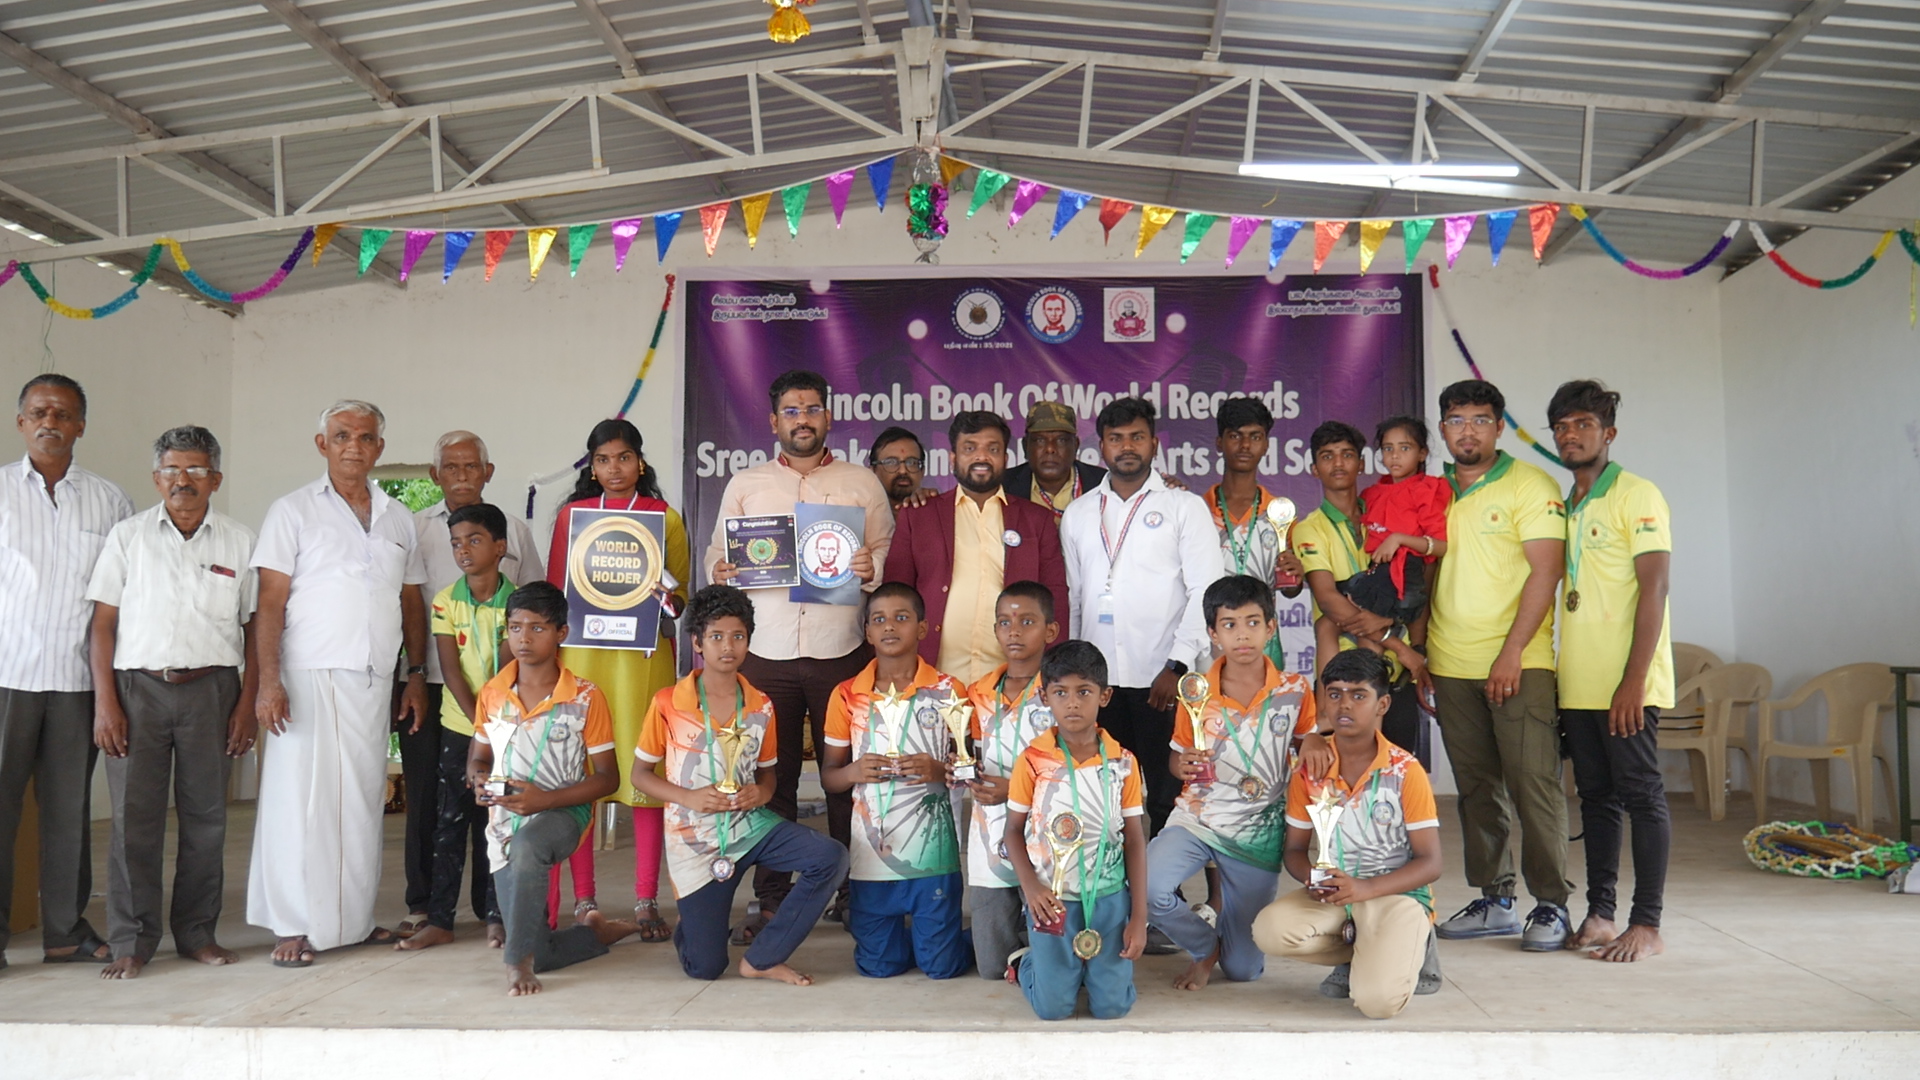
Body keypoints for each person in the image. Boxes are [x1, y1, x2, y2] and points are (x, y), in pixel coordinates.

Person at [706, 369, 893, 936]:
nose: (803, 419)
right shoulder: (746, 484)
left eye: (812, 409)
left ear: (828, 417)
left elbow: (883, 551)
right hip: (767, 652)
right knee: (772, 780)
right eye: (792, 410)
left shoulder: (862, 482)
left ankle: (854, 895)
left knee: (848, 779)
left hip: (842, 652)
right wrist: (722, 569)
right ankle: (772, 899)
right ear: (773, 421)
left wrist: (870, 568)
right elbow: (719, 554)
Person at [248, 400, 428, 967]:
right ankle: (293, 923)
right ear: (322, 444)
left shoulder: (398, 517)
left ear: (380, 448)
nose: (355, 445)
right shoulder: (292, 511)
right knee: (299, 803)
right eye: (342, 435)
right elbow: (269, 602)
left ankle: (349, 921)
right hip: (306, 674)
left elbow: (411, 602)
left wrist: (415, 674)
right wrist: (268, 682)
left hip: (373, 677)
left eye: (366, 437)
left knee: (359, 800)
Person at [86, 425, 254, 979]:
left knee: (207, 819)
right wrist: (106, 704)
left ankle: (197, 934)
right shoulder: (128, 537)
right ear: (157, 478)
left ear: (216, 479)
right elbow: (102, 626)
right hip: (138, 693)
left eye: (197, 470)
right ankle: (131, 939)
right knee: (135, 821)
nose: (184, 481)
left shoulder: (239, 541)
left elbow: (254, 629)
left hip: (212, 690)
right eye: (173, 470)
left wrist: (245, 702)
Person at [632, 584, 848, 985]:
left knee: (829, 857)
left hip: (750, 828)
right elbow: (640, 775)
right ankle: (694, 923)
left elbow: (768, 774)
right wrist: (689, 797)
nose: (727, 646)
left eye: (738, 636)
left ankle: (763, 958)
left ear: (750, 640)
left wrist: (761, 794)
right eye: (715, 636)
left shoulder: (760, 704)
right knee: (706, 968)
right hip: (695, 840)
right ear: (697, 642)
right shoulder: (668, 702)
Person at [1425, 379, 1573, 951]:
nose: (1468, 430)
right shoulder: (1432, 491)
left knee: (1533, 785)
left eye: (1481, 420)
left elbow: (1546, 571)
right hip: (1450, 662)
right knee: (1477, 788)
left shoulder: (1529, 484)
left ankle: (1552, 905)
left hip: (1520, 663)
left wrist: (1512, 652)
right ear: (1442, 429)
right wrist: (1424, 659)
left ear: (1499, 426)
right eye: (1457, 420)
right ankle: (1496, 898)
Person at [0, 374, 133, 965]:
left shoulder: (110, 502)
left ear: (82, 424)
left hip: (79, 684)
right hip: (7, 677)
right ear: (21, 422)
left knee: (67, 812)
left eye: (63, 413)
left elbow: (124, 599)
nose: (50, 421)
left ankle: (62, 931)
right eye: (38, 411)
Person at [543, 418, 688, 941]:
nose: (614, 469)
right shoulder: (572, 518)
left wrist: (663, 594)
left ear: (640, 462)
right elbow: (557, 592)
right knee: (583, 780)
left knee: (643, 777)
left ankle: (648, 899)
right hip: (583, 661)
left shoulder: (662, 518)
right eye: (603, 460)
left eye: (623, 458)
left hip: (642, 663)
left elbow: (680, 601)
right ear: (592, 466)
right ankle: (585, 901)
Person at [1149, 574, 1326, 991]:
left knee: (1244, 971)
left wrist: (1317, 737)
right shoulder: (1194, 692)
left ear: (1271, 627)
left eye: (1252, 622)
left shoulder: (1295, 690)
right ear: (1213, 634)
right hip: (1197, 819)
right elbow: (1176, 756)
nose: (1241, 635)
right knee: (1148, 889)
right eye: (1229, 625)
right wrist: (1183, 765)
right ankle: (1203, 945)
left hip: (1256, 833)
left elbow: (1307, 738)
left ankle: (1229, 942)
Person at [398, 432, 543, 939]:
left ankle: (493, 909)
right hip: (442, 695)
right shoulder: (415, 530)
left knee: (497, 809)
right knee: (438, 807)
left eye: (470, 467)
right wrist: (419, 678)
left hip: (505, 703)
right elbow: (412, 605)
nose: (461, 476)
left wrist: (497, 705)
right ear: (435, 475)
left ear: (488, 472)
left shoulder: (517, 533)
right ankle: (429, 908)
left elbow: (533, 611)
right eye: (450, 468)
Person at [1547, 380, 1673, 964]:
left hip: (1628, 683)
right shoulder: (1567, 505)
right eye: (1562, 427)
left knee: (1642, 796)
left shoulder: (1638, 494)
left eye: (1583, 425)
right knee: (1596, 799)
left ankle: (1646, 924)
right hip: (1579, 681)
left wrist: (1633, 680)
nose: (1571, 435)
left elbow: (1655, 589)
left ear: (1608, 434)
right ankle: (1601, 914)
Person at [1058, 396, 1223, 838]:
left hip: (1160, 679)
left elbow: (1204, 591)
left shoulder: (1182, 508)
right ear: (1100, 447)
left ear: (1154, 443)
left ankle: (1161, 892)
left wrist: (1177, 665)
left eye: (1136, 437)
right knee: (1107, 788)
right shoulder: (1078, 514)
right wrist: (1076, 672)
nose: (1126, 447)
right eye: (1116, 439)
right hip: (1101, 683)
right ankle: (1117, 887)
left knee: (1166, 792)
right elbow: (1075, 597)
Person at [468, 582, 639, 995]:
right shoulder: (493, 694)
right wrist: (476, 779)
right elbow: (479, 758)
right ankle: (595, 935)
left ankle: (517, 966)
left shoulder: (585, 697)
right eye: (515, 627)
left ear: (561, 632)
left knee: (530, 851)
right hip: (506, 822)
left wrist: (545, 801)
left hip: (563, 812)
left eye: (537, 628)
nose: (523, 639)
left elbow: (607, 778)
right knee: (541, 947)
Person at [1253, 648, 1443, 1020]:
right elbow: (1294, 849)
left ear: (1382, 704)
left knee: (1377, 1003)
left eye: (1359, 695)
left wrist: (1365, 889)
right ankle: (1366, 951)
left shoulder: (1406, 771)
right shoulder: (1309, 770)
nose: (1345, 705)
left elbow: (1431, 862)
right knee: (1269, 931)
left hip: (1395, 896)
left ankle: (1415, 946)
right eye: (1335, 694)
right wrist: (1316, 878)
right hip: (1338, 895)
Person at [819, 582, 970, 979]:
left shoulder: (949, 691)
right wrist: (853, 772)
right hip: (872, 857)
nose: (890, 627)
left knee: (941, 967)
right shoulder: (847, 694)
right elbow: (830, 778)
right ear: (867, 632)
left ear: (922, 628)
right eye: (879, 619)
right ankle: (924, 938)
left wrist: (940, 771)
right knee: (878, 967)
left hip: (932, 857)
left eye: (902, 618)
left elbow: (973, 768)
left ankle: (964, 941)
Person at [1004, 640, 1148, 1019]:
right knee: (1053, 1010)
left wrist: (1138, 915)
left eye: (1084, 692)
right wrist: (1031, 887)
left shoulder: (1124, 763)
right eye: (1060, 692)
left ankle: (1090, 975)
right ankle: (1029, 964)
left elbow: (1134, 838)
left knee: (1113, 1009)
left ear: (1105, 696)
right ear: (1044, 697)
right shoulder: (1033, 761)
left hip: (1110, 898)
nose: (1072, 703)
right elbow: (1013, 832)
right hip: (1051, 900)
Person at [394, 502, 514, 952]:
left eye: (475, 540)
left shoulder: (517, 602)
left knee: (498, 820)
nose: (463, 550)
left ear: (500, 547)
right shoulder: (446, 600)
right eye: (456, 543)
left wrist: (488, 728)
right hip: (459, 725)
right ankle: (440, 919)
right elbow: (450, 666)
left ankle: (497, 916)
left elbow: (507, 674)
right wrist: (476, 726)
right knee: (449, 821)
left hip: (504, 730)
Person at [883, 410, 1068, 687]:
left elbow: (1055, 597)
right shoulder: (919, 515)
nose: (981, 457)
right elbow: (895, 595)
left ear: (1005, 459)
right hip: (933, 677)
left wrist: (1054, 673)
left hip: (1014, 680)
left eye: (992, 449)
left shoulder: (1037, 520)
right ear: (953, 459)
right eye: (970, 448)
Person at [1293, 421, 1431, 763]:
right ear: (1314, 468)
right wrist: (1398, 645)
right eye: (1327, 457)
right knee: (1342, 792)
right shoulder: (1309, 528)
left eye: (1347, 455)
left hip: (1397, 677)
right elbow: (1329, 602)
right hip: (1345, 682)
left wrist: (1416, 648)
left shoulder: (1386, 512)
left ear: (1362, 463)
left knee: (1395, 787)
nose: (1338, 464)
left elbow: (1419, 582)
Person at [961, 581, 1061, 979]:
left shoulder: (1061, 691)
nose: (1014, 631)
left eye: (1027, 621)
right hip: (988, 835)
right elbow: (973, 750)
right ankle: (1020, 952)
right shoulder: (979, 692)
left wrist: (1013, 789)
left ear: (1050, 632)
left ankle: (1038, 952)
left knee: (1054, 938)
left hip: (1045, 836)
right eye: (1004, 622)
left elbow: (1072, 770)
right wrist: (962, 769)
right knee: (989, 968)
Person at [1314, 417, 1450, 668]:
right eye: (1388, 449)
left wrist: (1398, 540)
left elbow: (1440, 546)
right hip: (1378, 576)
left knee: (1350, 626)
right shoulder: (1372, 494)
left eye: (1405, 448)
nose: (1395, 456)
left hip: (1406, 580)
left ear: (1422, 453)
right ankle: (1337, 696)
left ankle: (1372, 684)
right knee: (1329, 622)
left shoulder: (1428, 489)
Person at [1207, 397, 1302, 673]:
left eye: (1255, 437)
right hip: (1210, 643)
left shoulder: (1280, 515)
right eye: (1235, 436)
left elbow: (1290, 588)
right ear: (1219, 443)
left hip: (1263, 644)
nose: (1245, 446)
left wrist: (1296, 575)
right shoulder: (1198, 510)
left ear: (1266, 445)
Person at [1003, 401, 1106, 521]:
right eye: (1040, 440)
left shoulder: (1103, 484)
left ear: (1076, 445)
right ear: (1025, 446)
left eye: (1061, 440)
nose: (1050, 449)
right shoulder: (1003, 487)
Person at [868, 426, 937, 510]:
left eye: (911, 462)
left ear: (922, 471)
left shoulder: (934, 511)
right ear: (873, 472)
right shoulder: (857, 518)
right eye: (891, 462)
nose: (903, 471)